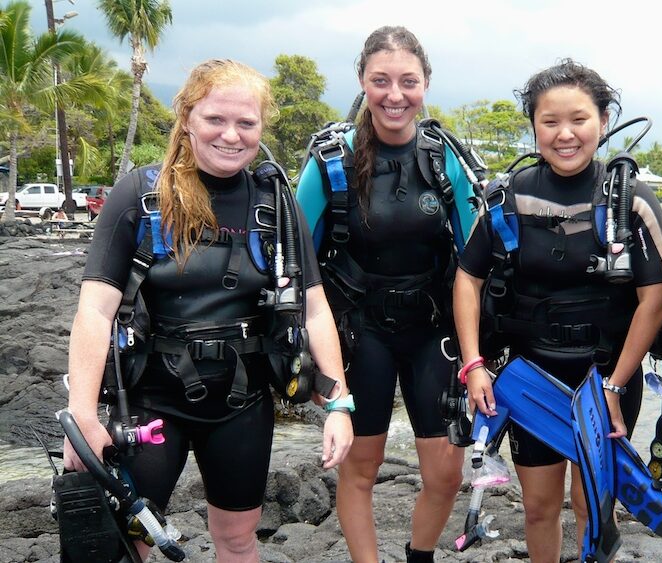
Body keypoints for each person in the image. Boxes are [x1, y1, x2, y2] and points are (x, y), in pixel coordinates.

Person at [62, 59, 353, 561]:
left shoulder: (275, 203)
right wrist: (84, 415)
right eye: (216, 119)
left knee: (239, 540)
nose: (231, 135)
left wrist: (339, 404)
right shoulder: (141, 195)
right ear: (188, 118)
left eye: (246, 123)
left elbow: (314, 309)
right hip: (150, 403)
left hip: (241, 405)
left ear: (261, 127)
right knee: (124, 543)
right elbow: (95, 310)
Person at [454, 59, 662, 562]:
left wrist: (616, 385)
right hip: (531, 374)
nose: (565, 134)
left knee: (595, 503)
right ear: (533, 125)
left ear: (604, 118)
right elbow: (468, 278)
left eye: (579, 119)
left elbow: (654, 300)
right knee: (538, 506)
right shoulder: (506, 198)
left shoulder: (631, 202)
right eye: (550, 122)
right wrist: (473, 364)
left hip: (607, 377)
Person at [296, 26, 466, 563]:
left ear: (426, 85)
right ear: (363, 83)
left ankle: (420, 557)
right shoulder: (330, 162)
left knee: (445, 472)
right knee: (361, 466)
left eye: (408, 81)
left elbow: (477, 258)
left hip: (432, 329)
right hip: (358, 330)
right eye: (381, 81)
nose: (396, 94)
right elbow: (298, 265)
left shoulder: (443, 160)